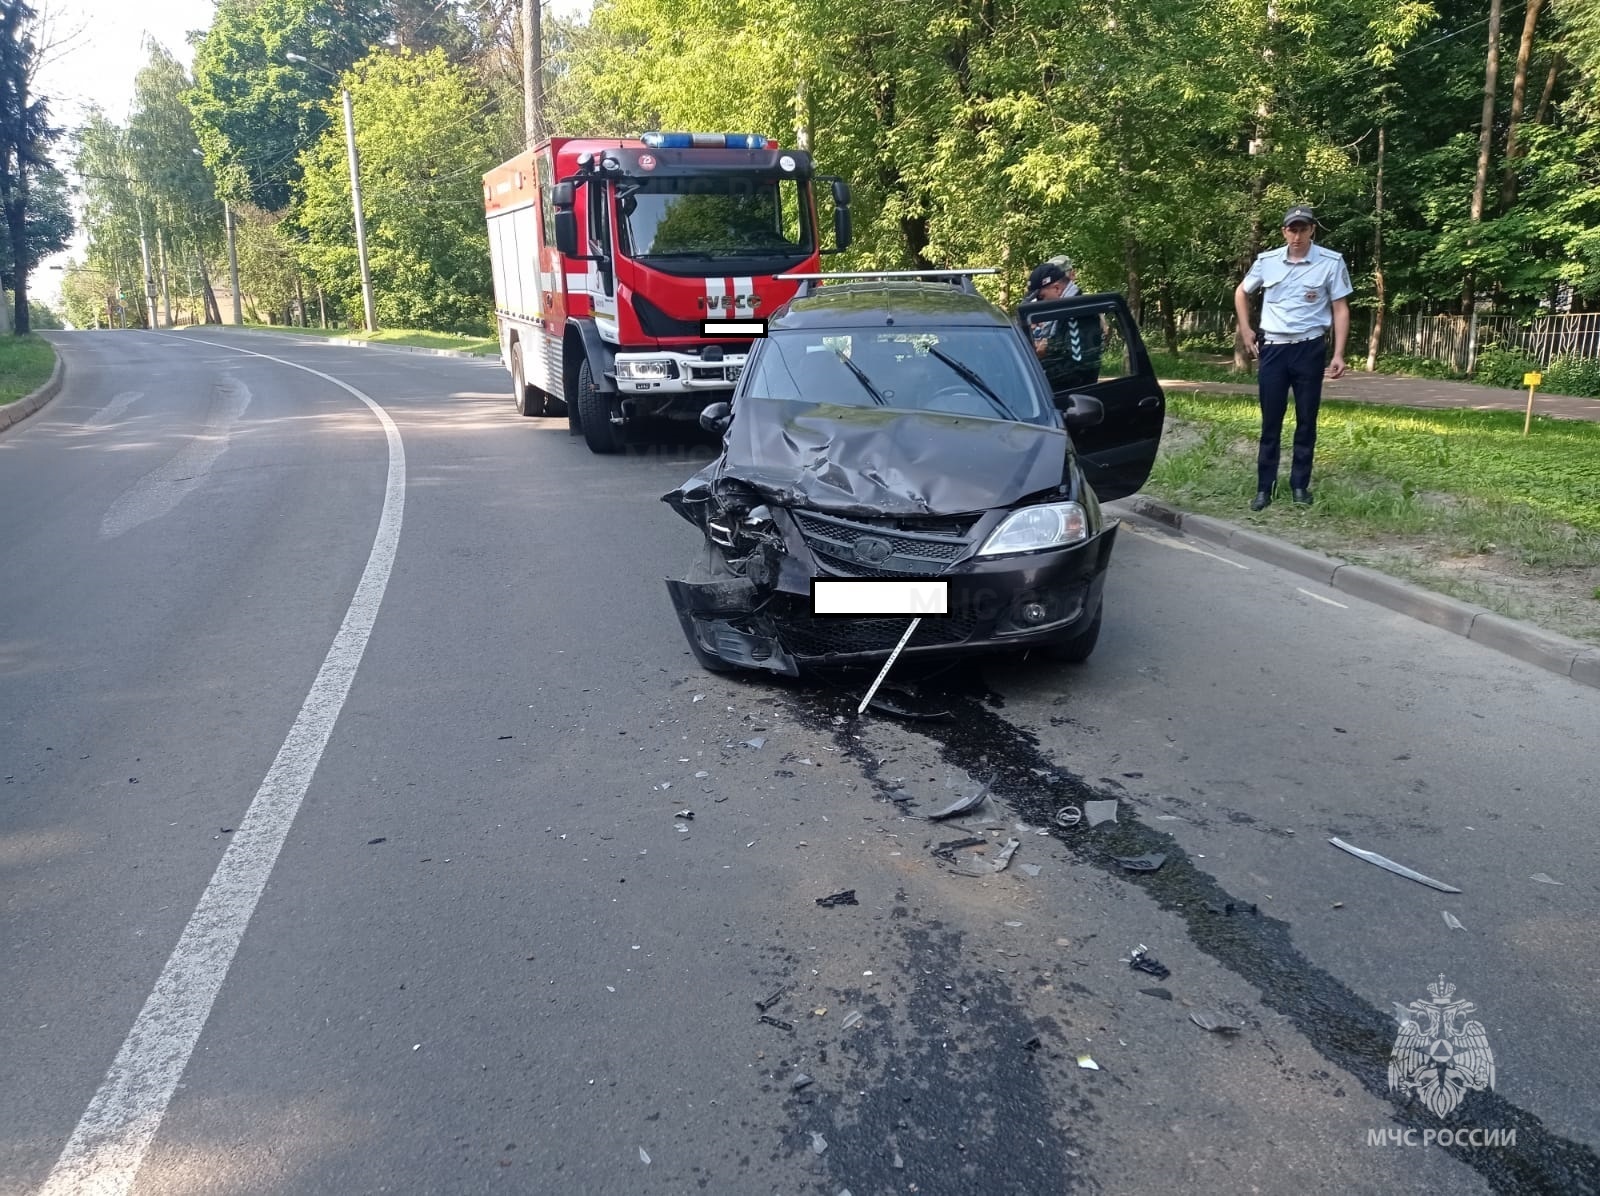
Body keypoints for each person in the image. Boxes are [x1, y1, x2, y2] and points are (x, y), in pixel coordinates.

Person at [1234, 205, 1352, 509]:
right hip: (1272, 349)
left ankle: (1300, 485)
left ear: (1312, 229)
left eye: (1302, 229)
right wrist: (1246, 329)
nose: (1297, 235)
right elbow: (1241, 292)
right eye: (1292, 229)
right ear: (1284, 231)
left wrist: (1338, 353)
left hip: (1309, 349)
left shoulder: (1330, 262)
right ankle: (1264, 488)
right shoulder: (1267, 261)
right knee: (1270, 421)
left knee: (1306, 420)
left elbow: (1340, 308)